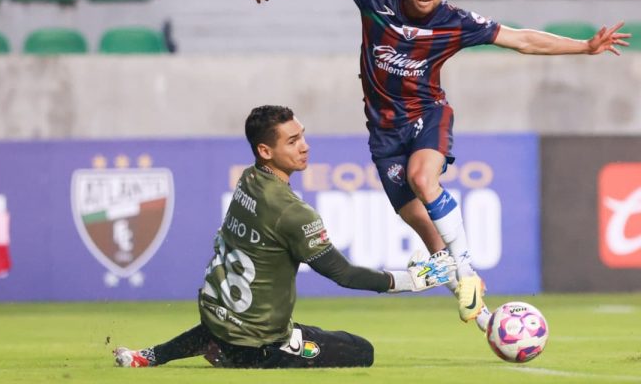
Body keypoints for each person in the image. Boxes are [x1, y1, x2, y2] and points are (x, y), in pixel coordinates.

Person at [251, 0, 630, 331]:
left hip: (428, 115)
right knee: (431, 238)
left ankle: (466, 269)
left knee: (422, 178)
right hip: (383, 135)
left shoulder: (456, 22)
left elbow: (522, 40)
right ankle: (487, 322)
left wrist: (584, 47)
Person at [114, 105, 456, 369]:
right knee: (360, 350)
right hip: (258, 345)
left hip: (219, 317)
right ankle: (233, 354)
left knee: (230, 321)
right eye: (292, 142)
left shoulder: (248, 181)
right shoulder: (293, 213)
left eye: (302, 136)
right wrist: (416, 279)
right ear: (265, 151)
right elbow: (344, 275)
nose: (305, 147)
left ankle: (152, 355)